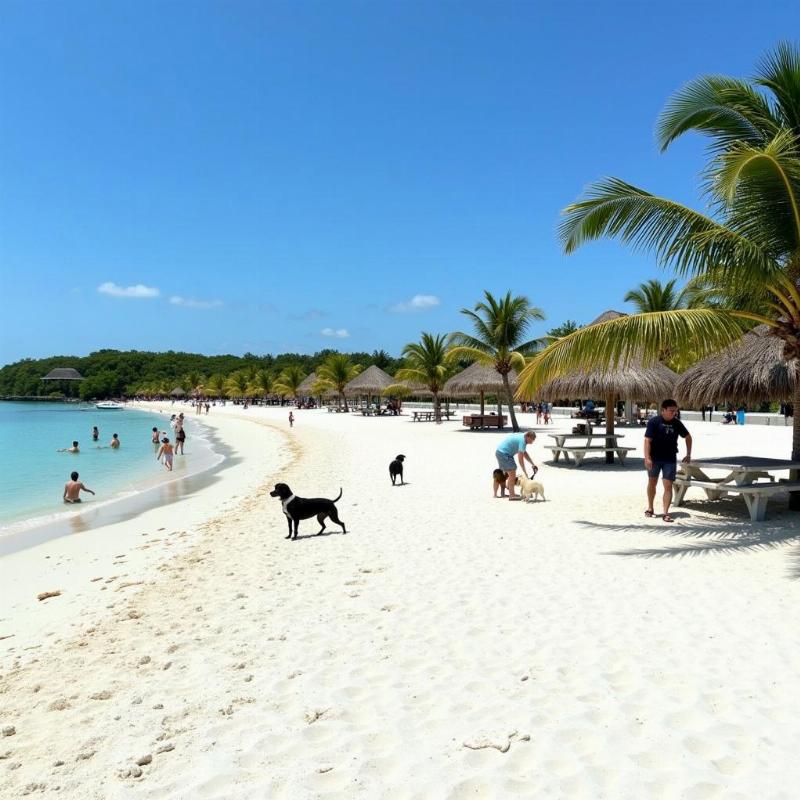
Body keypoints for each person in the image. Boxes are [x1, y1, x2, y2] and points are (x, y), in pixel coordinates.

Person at [644, 399, 692, 523]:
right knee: (652, 482)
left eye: (675, 411)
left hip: (670, 459)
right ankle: (650, 507)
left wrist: (688, 454)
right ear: (663, 410)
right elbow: (647, 440)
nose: (674, 413)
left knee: (668, 485)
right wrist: (647, 457)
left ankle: (666, 513)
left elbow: (688, 437)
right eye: (671, 411)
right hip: (654, 458)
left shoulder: (677, 423)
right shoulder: (654, 422)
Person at [495, 430, 538, 501]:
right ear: (527, 437)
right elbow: (520, 460)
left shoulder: (523, 436)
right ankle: (512, 495)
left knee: (508, 473)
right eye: (531, 440)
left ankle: (508, 490)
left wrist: (533, 464)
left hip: (501, 452)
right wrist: (525, 472)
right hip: (504, 454)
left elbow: (524, 453)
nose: (532, 442)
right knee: (512, 471)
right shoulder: (522, 441)